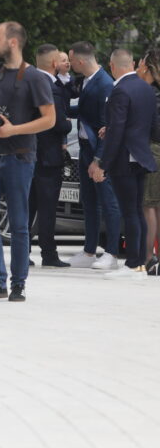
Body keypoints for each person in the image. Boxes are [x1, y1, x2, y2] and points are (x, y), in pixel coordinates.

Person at [0, 22, 55, 302]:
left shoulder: (35, 78)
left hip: (19, 157)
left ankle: (18, 283)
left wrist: (13, 129)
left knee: (19, 223)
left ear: (13, 42)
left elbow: (49, 119)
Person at [89, 49, 158, 280]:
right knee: (137, 210)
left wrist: (102, 164)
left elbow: (117, 130)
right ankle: (139, 262)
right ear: (132, 64)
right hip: (142, 156)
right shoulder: (146, 88)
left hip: (124, 159)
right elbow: (151, 126)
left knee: (130, 212)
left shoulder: (120, 90)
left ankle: (133, 265)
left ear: (111, 65)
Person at [65, 41, 122, 270]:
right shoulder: (87, 81)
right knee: (88, 201)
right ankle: (89, 250)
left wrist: (100, 160)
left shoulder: (105, 83)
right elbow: (83, 110)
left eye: (70, 61)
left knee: (108, 202)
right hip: (85, 149)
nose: (69, 65)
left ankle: (112, 253)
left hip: (100, 152)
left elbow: (107, 124)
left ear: (80, 61)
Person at [28, 44, 72, 268]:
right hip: (48, 156)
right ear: (55, 63)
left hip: (29, 152)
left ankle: (23, 250)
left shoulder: (29, 80)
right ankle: (49, 253)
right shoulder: (51, 87)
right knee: (46, 207)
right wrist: (67, 124)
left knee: (27, 206)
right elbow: (58, 123)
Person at [135, 48, 160, 275]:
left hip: (152, 149)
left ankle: (147, 258)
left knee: (148, 204)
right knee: (156, 205)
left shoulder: (150, 92)